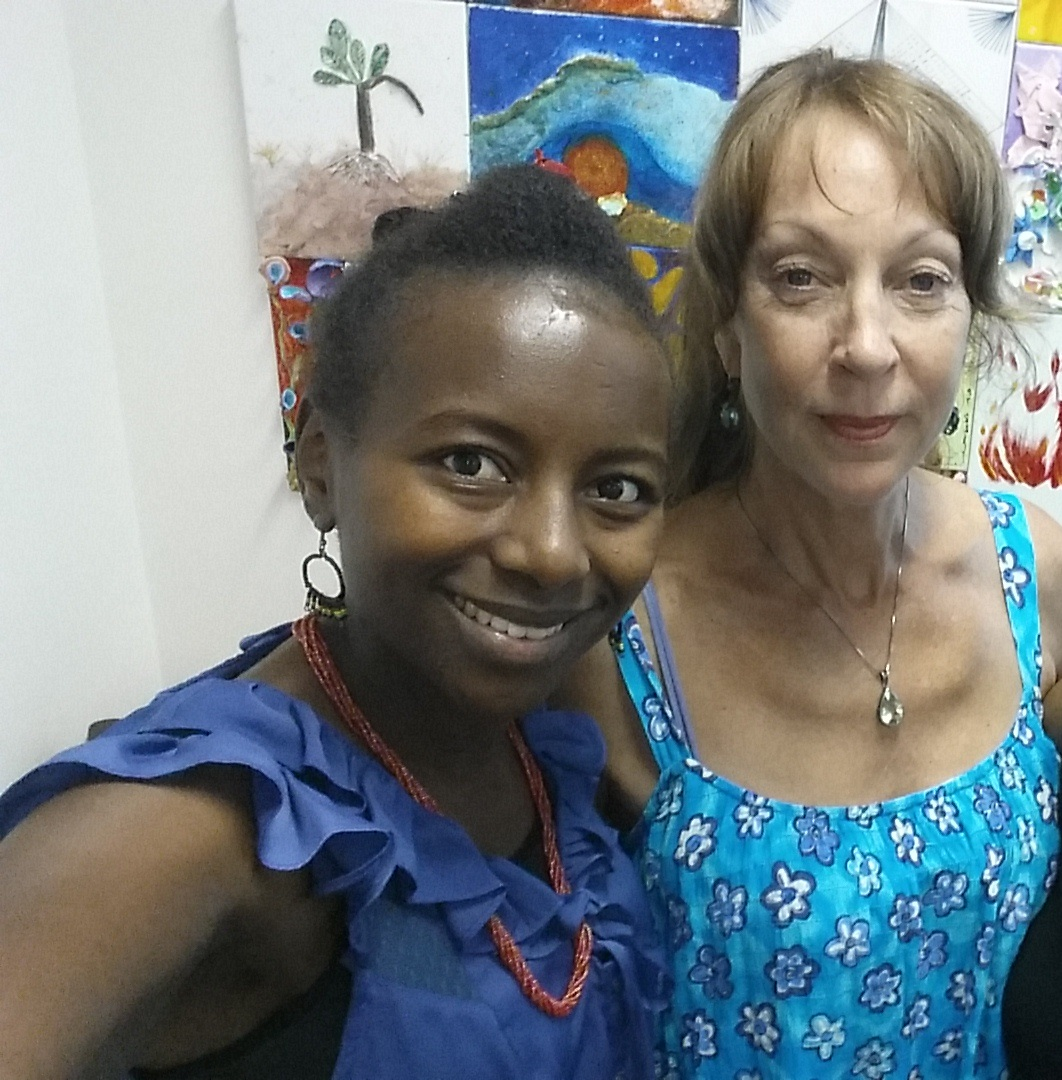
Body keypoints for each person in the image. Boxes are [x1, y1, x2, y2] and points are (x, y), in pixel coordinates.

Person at [0, 165, 674, 1080]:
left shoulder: (540, 736)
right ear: (321, 464)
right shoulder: (208, 825)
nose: (554, 554)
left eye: (617, 488)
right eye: (471, 464)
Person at [559, 51, 1062, 1078]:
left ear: (969, 317)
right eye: (801, 277)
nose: (867, 346)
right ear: (728, 328)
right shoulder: (621, 627)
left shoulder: (1036, 576)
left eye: (921, 280)